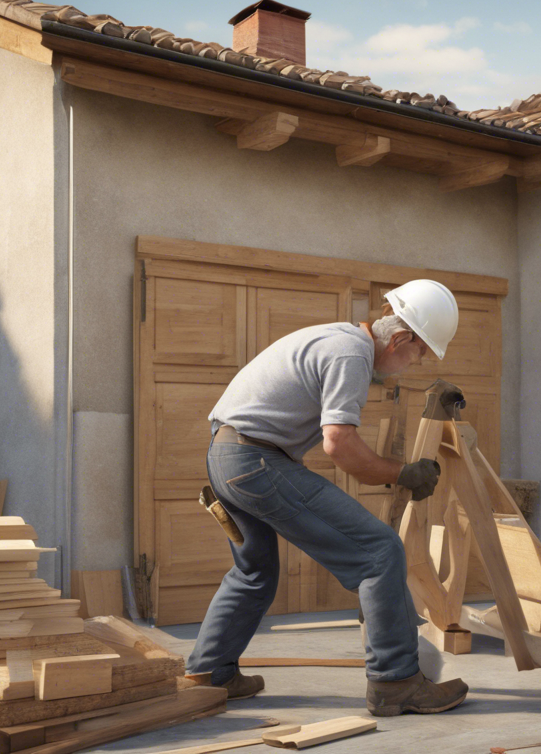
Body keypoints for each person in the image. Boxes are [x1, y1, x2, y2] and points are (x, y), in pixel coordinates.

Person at [184, 279, 470, 716]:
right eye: (420, 353)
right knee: (378, 552)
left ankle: (209, 673)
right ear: (400, 338)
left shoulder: (337, 338)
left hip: (227, 457)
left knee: (253, 572)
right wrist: (404, 474)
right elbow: (339, 444)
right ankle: (396, 682)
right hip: (255, 462)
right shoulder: (351, 354)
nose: (415, 364)